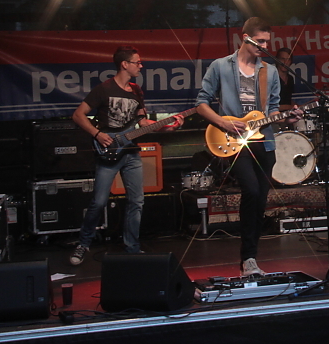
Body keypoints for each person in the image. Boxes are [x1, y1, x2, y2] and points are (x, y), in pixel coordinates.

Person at [196, 17, 300, 278]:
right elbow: (201, 103)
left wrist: (287, 118)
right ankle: (248, 257)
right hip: (234, 140)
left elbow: (273, 110)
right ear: (244, 38)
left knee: (260, 199)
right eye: (260, 41)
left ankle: (250, 258)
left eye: (267, 42)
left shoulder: (270, 71)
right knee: (251, 190)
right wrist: (223, 122)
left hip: (264, 140)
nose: (264, 46)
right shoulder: (221, 66)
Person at [70, 46, 183, 265]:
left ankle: (132, 247)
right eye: (137, 62)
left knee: (137, 201)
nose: (141, 65)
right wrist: (97, 134)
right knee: (99, 202)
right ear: (125, 64)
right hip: (108, 152)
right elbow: (78, 115)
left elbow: (142, 122)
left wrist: (168, 126)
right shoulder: (103, 89)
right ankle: (83, 244)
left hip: (131, 152)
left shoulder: (137, 91)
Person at [276, 47, 295, 113]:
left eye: (288, 59)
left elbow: (288, 100)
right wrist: (290, 107)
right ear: (277, 60)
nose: (285, 62)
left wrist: (298, 106)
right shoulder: (271, 78)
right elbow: (268, 105)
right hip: (275, 115)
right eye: (282, 59)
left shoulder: (290, 78)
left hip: (288, 114)